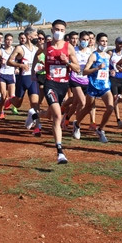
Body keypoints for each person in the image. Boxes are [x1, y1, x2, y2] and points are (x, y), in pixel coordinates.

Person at [28, 19, 81, 164]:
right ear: (52, 31)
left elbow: (78, 69)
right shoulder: (46, 46)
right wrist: (34, 70)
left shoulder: (68, 47)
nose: (59, 32)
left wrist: (67, 61)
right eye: (57, 29)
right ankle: (60, 152)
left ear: (65, 32)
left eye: (62, 30)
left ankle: (34, 114)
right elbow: (36, 55)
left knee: (50, 115)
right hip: (50, 84)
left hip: (63, 85)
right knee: (58, 116)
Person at [71, 33, 115, 143]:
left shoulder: (108, 56)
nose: (104, 43)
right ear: (97, 42)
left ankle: (100, 130)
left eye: (106, 41)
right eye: (102, 41)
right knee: (87, 108)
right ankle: (76, 125)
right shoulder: (94, 55)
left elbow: (107, 70)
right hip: (93, 86)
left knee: (110, 108)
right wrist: (97, 68)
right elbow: (85, 71)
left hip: (105, 86)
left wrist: (112, 71)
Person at [7, 26, 40, 121]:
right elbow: (9, 62)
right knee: (18, 104)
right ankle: (11, 99)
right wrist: (20, 65)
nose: (37, 37)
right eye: (35, 35)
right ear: (29, 36)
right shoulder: (19, 48)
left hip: (33, 79)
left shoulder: (36, 49)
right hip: (23, 79)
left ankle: (37, 125)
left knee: (35, 103)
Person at [0, 33, 16, 119]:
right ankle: (1, 111)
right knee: (3, 95)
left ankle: (9, 106)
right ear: (5, 40)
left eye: (10, 40)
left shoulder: (15, 50)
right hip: (2, 74)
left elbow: (20, 60)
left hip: (11, 74)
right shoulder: (0, 51)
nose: (9, 41)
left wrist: (17, 67)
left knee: (12, 96)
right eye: (7, 40)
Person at [108, 36, 122, 128]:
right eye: (119, 43)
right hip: (113, 78)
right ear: (116, 43)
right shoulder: (111, 53)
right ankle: (118, 120)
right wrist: (109, 71)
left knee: (117, 98)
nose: (121, 45)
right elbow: (105, 63)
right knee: (115, 98)